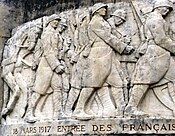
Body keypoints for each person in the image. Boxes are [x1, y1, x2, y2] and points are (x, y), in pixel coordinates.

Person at [72, 3, 134, 120]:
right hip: (98, 55)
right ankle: (79, 109)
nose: (105, 11)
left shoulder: (103, 21)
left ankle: (121, 109)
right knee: (91, 84)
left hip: (108, 54)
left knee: (119, 82)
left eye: (105, 9)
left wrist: (123, 41)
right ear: (96, 10)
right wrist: (123, 47)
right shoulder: (95, 22)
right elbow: (107, 37)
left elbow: (111, 34)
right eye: (102, 9)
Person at [125, 0, 175, 116]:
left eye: (169, 9)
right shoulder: (155, 19)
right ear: (159, 7)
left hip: (162, 53)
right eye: (166, 8)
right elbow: (161, 39)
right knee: (143, 80)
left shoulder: (158, 19)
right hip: (155, 53)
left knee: (172, 78)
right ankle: (131, 107)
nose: (167, 11)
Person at [25, 14, 66, 123]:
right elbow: (48, 51)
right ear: (49, 21)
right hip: (46, 66)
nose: (56, 23)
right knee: (39, 90)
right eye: (54, 20)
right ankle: (29, 113)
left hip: (54, 65)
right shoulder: (47, 33)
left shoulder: (55, 33)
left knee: (58, 88)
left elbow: (57, 49)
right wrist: (56, 65)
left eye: (57, 21)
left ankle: (58, 113)